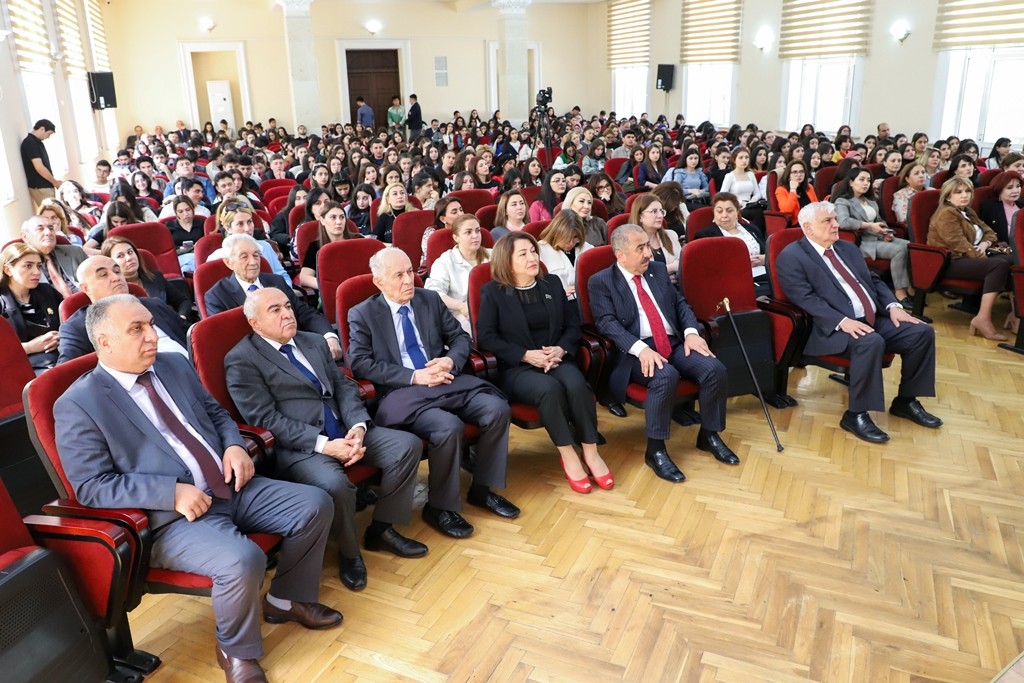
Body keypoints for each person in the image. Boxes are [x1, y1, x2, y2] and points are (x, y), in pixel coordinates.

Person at [56, 294, 341, 682]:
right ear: (104, 342)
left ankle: (285, 598)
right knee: (242, 561)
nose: (152, 336)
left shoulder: (173, 365)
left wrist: (235, 445)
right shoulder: (79, 403)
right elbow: (91, 486)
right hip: (173, 517)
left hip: (228, 484)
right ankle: (236, 652)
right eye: (136, 329)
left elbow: (215, 413)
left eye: (151, 325)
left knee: (315, 504)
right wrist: (170, 492)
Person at [225, 287, 426, 592]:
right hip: (300, 447)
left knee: (407, 446)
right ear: (255, 323)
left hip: (344, 429)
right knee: (335, 485)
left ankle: (382, 529)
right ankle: (349, 554)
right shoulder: (241, 359)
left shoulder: (313, 341)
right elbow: (264, 419)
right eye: (275, 310)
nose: (287, 314)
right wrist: (323, 445)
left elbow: (343, 386)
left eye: (288, 306)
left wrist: (358, 426)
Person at [347, 247, 519, 539]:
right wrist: (414, 376)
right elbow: (361, 362)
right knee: (447, 426)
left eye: (410, 272)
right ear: (379, 282)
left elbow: (460, 337)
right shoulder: (363, 313)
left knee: (497, 409)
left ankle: (482, 489)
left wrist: (450, 359)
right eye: (398, 275)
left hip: (445, 379)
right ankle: (440, 507)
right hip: (405, 391)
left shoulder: (428, 299)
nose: (408, 280)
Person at [777, 202, 941, 443]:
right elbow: (805, 299)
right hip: (828, 329)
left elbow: (872, 280)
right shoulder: (791, 257)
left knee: (921, 333)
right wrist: (842, 320)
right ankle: (856, 414)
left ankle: (906, 401)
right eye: (828, 221)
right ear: (808, 228)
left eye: (835, 218)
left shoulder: (847, 248)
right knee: (870, 342)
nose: (836, 224)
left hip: (871, 319)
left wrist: (893, 307)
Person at [588, 224, 737, 482]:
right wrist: (641, 349)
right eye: (640, 248)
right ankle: (655, 451)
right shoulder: (601, 281)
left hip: (672, 342)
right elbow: (606, 323)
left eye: (648, 245)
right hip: (634, 350)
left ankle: (709, 435)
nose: (649, 253)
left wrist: (691, 332)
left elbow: (680, 305)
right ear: (620, 255)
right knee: (665, 376)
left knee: (715, 369)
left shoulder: (656, 270)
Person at [476, 232, 612, 494]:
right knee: (548, 390)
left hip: (555, 358)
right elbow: (487, 337)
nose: (532, 257)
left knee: (577, 385)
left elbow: (573, 324)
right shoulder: (493, 292)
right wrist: (525, 355)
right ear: (507, 261)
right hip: (518, 367)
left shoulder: (551, 283)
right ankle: (568, 454)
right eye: (523, 254)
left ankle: (591, 452)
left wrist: (561, 349)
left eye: (533, 251)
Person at [204, 235, 343, 359]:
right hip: (259, 360)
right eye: (244, 257)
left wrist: (329, 336)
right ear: (229, 262)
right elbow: (228, 341)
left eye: (256, 255)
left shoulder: (276, 282)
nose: (253, 262)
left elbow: (304, 312)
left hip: (299, 348)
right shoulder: (217, 295)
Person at [928, 177, 1015, 340]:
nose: (965, 195)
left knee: (1012, 261)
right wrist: (984, 256)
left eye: (968, 191)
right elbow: (959, 245)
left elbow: (990, 232)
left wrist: (984, 244)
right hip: (951, 261)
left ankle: (1015, 313)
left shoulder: (967, 211)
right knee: (999, 265)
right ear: (948, 196)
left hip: (971, 255)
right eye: (958, 192)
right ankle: (983, 318)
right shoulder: (946, 213)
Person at [57, 256, 189, 364]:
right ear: (86, 288)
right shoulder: (76, 328)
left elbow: (192, 337)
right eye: (103, 275)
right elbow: (67, 375)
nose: (116, 277)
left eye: (117, 271)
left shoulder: (154, 304)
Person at [832, 167, 913, 305]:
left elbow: (879, 220)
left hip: (877, 237)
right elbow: (844, 222)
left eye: (868, 180)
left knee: (910, 246)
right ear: (851, 182)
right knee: (899, 250)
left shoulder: (870, 200)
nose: (866, 183)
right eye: (862, 180)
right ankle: (900, 293)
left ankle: (911, 287)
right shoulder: (842, 201)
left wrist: (885, 232)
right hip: (862, 242)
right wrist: (869, 226)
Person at [0, 243, 63, 373]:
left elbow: (69, 323)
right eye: (28, 266)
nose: (36, 272)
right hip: (20, 368)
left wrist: (60, 336)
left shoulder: (47, 291)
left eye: (39, 266)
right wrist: (29, 347)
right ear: (8, 270)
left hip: (60, 356)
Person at [691, 192, 769, 297]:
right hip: (735, 280)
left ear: (737, 212)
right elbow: (708, 268)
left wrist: (765, 258)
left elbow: (767, 252)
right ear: (714, 212)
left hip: (764, 274)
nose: (724, 215)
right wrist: (741, 264)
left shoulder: (752, 228)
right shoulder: (705, 235)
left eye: (729, 211)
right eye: (719, 211)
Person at [424, 213, 490, 333]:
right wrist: (461, 305)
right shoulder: (445, 261)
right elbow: (434, 293)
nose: (475, 236)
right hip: (462, 314)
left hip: (493, 308)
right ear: (456, 238)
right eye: (468, 232)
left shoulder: (492, 255)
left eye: (477, 231)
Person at [102, 236, 193, 320]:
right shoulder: (114, 290)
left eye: (130, 252)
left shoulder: (155, 277)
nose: (129, 258)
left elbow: (182, 301)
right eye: (120, 256)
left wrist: (181, 318)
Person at [205, 201, 288, 278]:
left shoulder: (266, 247)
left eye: (249, 222)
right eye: (240, 224)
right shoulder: (217, 257)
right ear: (228, 228)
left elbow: (282, 276)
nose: (247, 228)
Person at [297, 199, 361, 290]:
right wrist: (327, 287)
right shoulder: (315, 247)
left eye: (342, 217)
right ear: (322, 220)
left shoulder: (358, 240)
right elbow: (304, 277)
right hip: (330, 293)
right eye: (333, 217)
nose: (339, 222)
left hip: (359, 287)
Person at [21, 215, 88, 297]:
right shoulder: (22, 267)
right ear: (25, 237)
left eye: (51, 228)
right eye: (40, 229)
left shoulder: (75, 252)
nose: (48, 232)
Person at [537, 209, 592, 298]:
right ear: (556, 233)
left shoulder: (588, 248)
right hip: (558, 302)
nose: (571, 243)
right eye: (566, 238)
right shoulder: (540, 250)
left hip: (586, 299)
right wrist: (558, 293)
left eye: (575, 237)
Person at [629, 193, 682, 283]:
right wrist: (669, 270)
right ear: (640, 216)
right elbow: (638, 273)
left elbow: (681, 263)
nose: (660, 215)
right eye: (654, 211)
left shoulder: (671, 235)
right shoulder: (631, 242)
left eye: (661, 211)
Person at [22, 119, 61, 211]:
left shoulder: (37, 142)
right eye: (49, 134)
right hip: (41, 187)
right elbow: (39, 167)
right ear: (42, 129)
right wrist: (55, 182)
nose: (48, 137)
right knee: (51, 214)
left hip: (45, 186)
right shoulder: (30, 143)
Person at [978, 170, 1023, 244]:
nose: (1016, 191)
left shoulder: (1021, 204)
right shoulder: (990, 207)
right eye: (1009, 188)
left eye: (1018, 186)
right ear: (999, 189)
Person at [775, 159, 819, 225]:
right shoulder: (781, 190)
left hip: (812, 221)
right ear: (788, 175)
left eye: (801, 172)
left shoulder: (809, 187)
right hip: (796, 224)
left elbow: (816, 206)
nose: (799, 175)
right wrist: (793, 189)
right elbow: (787, 210)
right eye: (795, 172)